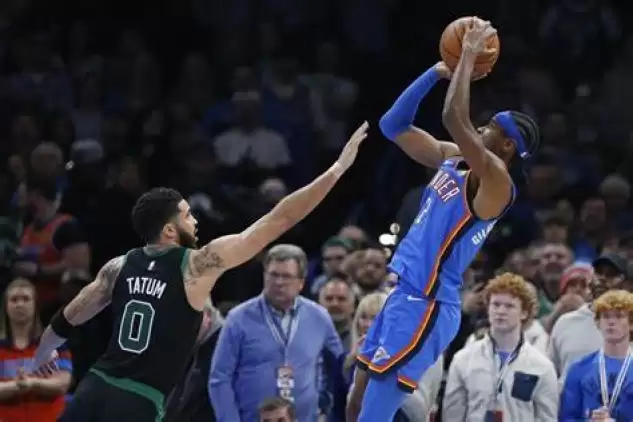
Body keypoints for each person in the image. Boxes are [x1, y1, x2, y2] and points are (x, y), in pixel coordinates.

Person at [31, 122, 369, 422]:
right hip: (139, 398)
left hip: (95, 385)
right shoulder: (195, 265)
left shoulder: (118, 266)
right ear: (169, 230)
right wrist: (337, 170)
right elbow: (280, 218)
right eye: (187, 215)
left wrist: (45, 349)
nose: (194, 221)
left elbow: (74, 311)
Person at [346, 20, 541, 422]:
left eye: (491, 128)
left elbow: (454, 116)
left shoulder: (497, 183)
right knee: (355, 405)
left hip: (429, 303)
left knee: (372, 415)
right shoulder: (455, 159)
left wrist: (467, 55)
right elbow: (393, 126)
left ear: (507, 145)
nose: (481, 128)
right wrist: (436, 73)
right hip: (403, 294)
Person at [442, 273, 558, 421]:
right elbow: (452, 416)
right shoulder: (463, 360)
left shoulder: (542, 366)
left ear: (524, 313)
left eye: (509, 306)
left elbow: (547, 418)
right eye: (496, 304)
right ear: (488, 308)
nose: (501, 311)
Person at [559, 289, 633, 422]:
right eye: (606, 316)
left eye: (619, 316)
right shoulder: (579, 369)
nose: (611, 322)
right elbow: (566, 418)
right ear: (598, 323)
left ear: (631, 323)